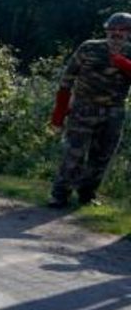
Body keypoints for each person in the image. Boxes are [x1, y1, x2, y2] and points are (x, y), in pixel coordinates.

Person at [47, 12, 131, 208]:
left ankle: (87, 194)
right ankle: (59, 194)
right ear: (107, 30)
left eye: (122, 30)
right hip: (83, 109)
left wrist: (124, 63)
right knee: (73, 153)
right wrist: (59, 114)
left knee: (102, 156)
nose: (116, 33)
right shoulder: (89, 47)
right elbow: (67, 80)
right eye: (112, 29)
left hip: (114, 112)